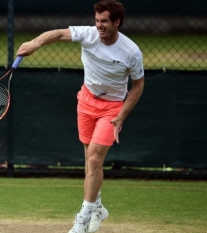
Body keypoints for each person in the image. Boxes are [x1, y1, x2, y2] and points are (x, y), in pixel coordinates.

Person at [16, 0, 145, 232]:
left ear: (117, 22)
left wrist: (122, 115)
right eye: (97, 21)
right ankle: (98, 208)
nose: (99, 26)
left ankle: (83, 219)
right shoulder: (88, 34)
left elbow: (138, 85)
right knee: (89, 156)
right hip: (86, 100)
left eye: (104, 21)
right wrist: (35, 43)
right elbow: (55, 34)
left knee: (94, 158)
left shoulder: (131, 52)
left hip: (112, 107)